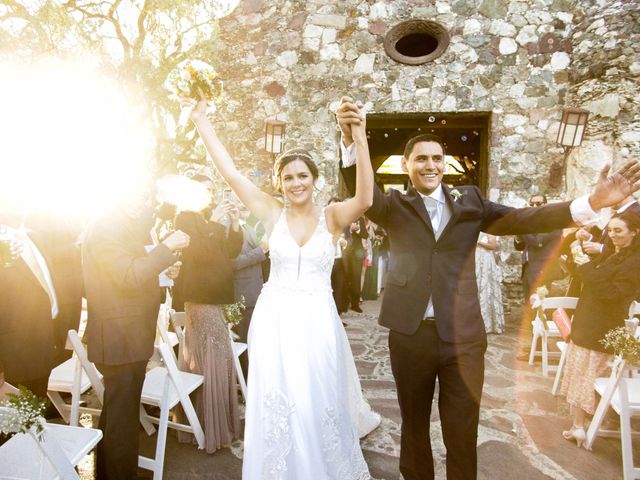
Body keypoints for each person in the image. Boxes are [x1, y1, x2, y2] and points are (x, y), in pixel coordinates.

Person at [337, 95, 640, 480]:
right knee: (413, 427)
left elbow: (526, 218)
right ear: (407, 165)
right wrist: (352, 141)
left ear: (444, 164)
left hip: (463, 339)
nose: (430, 165)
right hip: (410, 336)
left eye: (436, 158)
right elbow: (361, 192)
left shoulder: (471, 202)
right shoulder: (392, 205)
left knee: (462, 430)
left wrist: (593, 202)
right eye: (421, 158)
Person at [185, 95, 379, 479]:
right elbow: (232, 175)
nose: (295, 183)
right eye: (288, 177)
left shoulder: (333, 217)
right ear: (280, 183)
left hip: (319, 322)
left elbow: (366, 197)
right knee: (277, 401)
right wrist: (201, 123)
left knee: (318, 397)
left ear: (314, 180)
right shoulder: (272, 214)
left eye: (302, 176)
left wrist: (359, 135)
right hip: (274, 321)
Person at [82, 190, 189, 480]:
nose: (140, 204)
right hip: (119, 337)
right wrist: (165, 248)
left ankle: (109, 473)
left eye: (144, 199)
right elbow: (127, 275)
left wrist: (163, 269)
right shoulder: (106, 226)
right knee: (122, 420)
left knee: (119, 416)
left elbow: (129, 274)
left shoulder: (117, 226)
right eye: (132, 196)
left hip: (127, 335)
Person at [172, 178, 243, 453]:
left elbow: (230, 253)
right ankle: (204, 423)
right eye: (206, 190)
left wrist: (234, 224)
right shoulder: (184, 219)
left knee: (219, 355)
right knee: (207, 356)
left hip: (216, 296)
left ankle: (216, 420)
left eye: (212, 190)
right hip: (200, 298)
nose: (211, 194)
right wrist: (215, 220)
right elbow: (199, 254)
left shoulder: (207, 218)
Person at [560, 210, 640, 446]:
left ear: (635, 232)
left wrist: (585, 267)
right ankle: (577, 426)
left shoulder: (634, 262)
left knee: (589, 376)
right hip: (588, 319)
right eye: (611, 230)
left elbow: (611, 294)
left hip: (602, 324)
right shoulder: (613, 254)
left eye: (619, 231)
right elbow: (586, 277)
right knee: (579, 375)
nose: (613, 235)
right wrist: (576, 244)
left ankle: (584, 426)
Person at [0, 214, 58, 399]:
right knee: (12, 425)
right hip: (12, 361)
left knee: (35, 423)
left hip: (42, 350)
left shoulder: (35, 237)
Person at [229, 197, 267, 380]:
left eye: (245, 201)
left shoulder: (249, 226)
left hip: (255, 291)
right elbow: (231, 263)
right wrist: (261, 251)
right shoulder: (229, 227)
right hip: (242, 294)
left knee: (252, 341)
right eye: (238, 201)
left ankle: (251, 380)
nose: (243, 204)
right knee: (243, 341)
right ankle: (245, 384)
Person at [475, 232, 504, 334]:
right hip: (475, 259)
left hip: (486, 260)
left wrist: (479, 242)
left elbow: (492, 246)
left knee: (486, 288)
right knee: (476, 287)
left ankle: (488, 324)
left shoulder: (490, 230)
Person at [344, 216, 368, 312]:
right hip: (345, 252)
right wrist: (350, 229)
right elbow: (340, 233)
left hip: (357, 254)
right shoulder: (343, 217)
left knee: (356, 279)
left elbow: (365, 235)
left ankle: (355, 304)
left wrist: (358, 230)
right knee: (344, 278)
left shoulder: (360, 219)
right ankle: (344, 303)